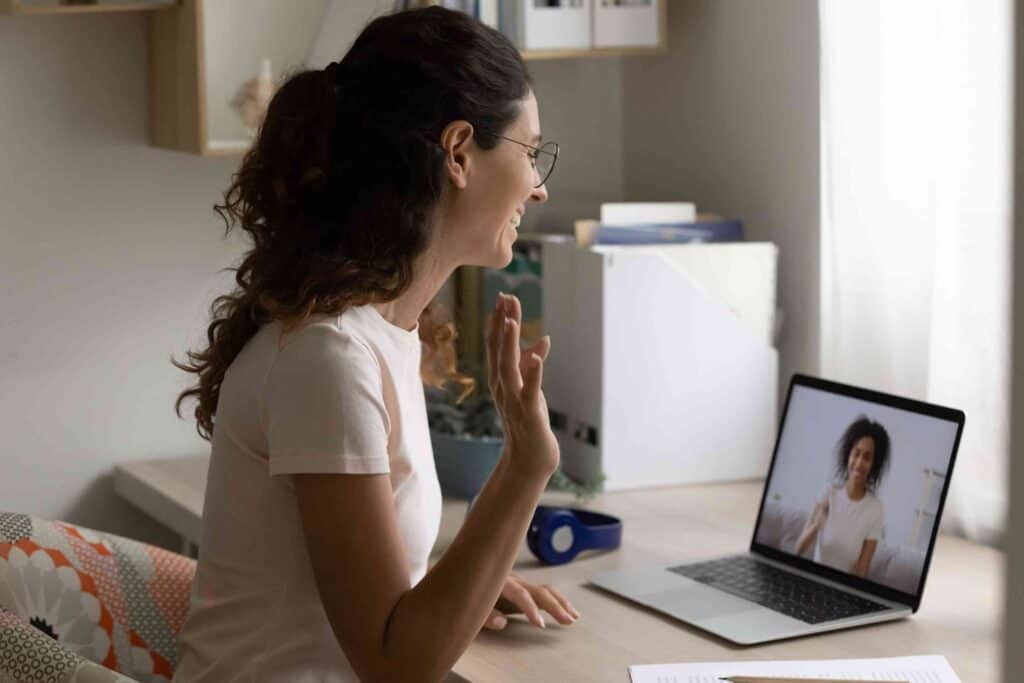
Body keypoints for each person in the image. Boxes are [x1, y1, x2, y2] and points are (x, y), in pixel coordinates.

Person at [170, 8, 576, 682]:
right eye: (530, 153)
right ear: (457, 152)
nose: (539, 186)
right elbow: (398, 663)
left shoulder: (373, 337)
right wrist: (527, 465)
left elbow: (371, 606)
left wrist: (463, 586)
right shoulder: (328, 359)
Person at [794, 416, 891, 578]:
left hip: (842, 590)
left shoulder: (875, 509)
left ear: (874, 464)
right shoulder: (828, 493)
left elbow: (862, 569)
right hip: (814, 580)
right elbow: (798, 549)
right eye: (856, 453)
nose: (859, 463)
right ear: (848, 455)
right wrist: (816, 525)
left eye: (867, 457)